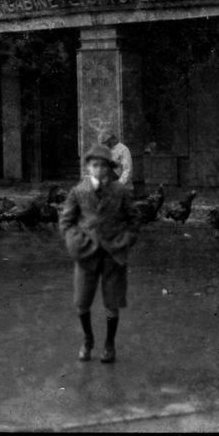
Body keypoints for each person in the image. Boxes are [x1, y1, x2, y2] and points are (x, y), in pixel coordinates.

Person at [59, 144, 139, 364]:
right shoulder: (79, 191)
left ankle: (109, 344)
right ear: (88, 167)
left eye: (104, 166)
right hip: (86, 254)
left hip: (113, 255)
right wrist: (76, 243)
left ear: (110, 168)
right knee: (82, 302)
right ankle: (87, 339)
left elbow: (134, 221)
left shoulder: (120, 191)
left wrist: (124, 241)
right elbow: (66, 222)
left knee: (112, 303)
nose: (99, 170)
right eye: (95, 165)